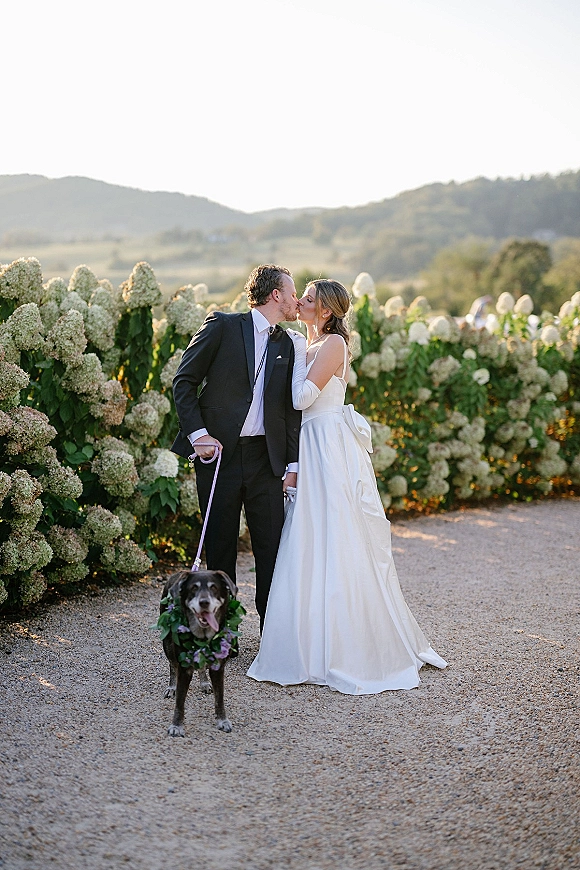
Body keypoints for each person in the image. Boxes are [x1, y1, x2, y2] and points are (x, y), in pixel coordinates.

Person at [247, 279, 447, 694]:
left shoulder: (332, 344)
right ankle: (307, 641)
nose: (299, 301)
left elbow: (302, 398)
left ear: (324, 311)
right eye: (299, 295)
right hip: (308, 444)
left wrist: (294, 357)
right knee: (306, 537)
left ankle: (345, 645)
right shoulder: (307, 342)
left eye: (308, 298)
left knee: (335, 533)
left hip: (326, 445)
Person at [171, 265, 302, 629]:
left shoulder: (289, 344)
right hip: (220, 458)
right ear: (276, 294)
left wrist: (292, 465)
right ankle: (221, 635)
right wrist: (199, 436)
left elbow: (291, 413)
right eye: (292, 293)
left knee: (271, 551)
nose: (296, 301)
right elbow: (184, 382)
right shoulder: (222, 326)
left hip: (267, 461)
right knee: (220, 550)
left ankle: (272, 637)